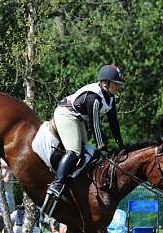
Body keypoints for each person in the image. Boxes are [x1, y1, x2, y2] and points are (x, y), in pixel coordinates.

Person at [44, 64, 126, 205]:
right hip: (65, 113)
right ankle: (56, 185)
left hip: (77, 117)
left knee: (86, 151)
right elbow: (95, 125)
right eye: (116, 83)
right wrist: (101, 146)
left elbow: (114, 123)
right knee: (75, 150)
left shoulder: (111, 98)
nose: (119, 87)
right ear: (105, 83)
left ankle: (69, 183)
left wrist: (121, 145)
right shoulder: (94, 98)